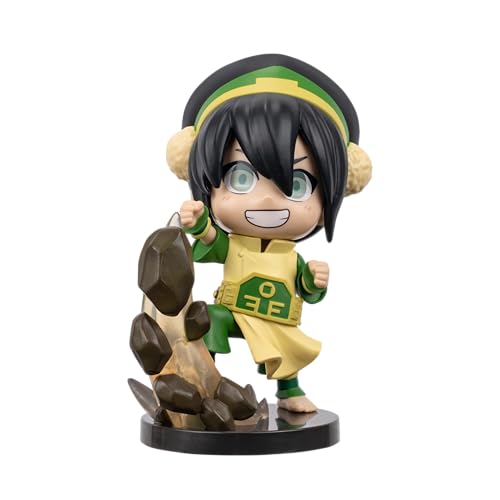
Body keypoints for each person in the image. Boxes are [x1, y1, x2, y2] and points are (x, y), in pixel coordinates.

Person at [166, 54, 371, 412]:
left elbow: (306, 288)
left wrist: (314, 281)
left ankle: (289, 392)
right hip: (234, 312)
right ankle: (205, 376)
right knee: (208, 318)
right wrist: (197, 222)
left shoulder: (290, 256)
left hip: (276, 318)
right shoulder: (235, 245)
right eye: (241, 178)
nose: (266, 200)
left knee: (288, 351)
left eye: (297, 183)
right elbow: (211, 239)